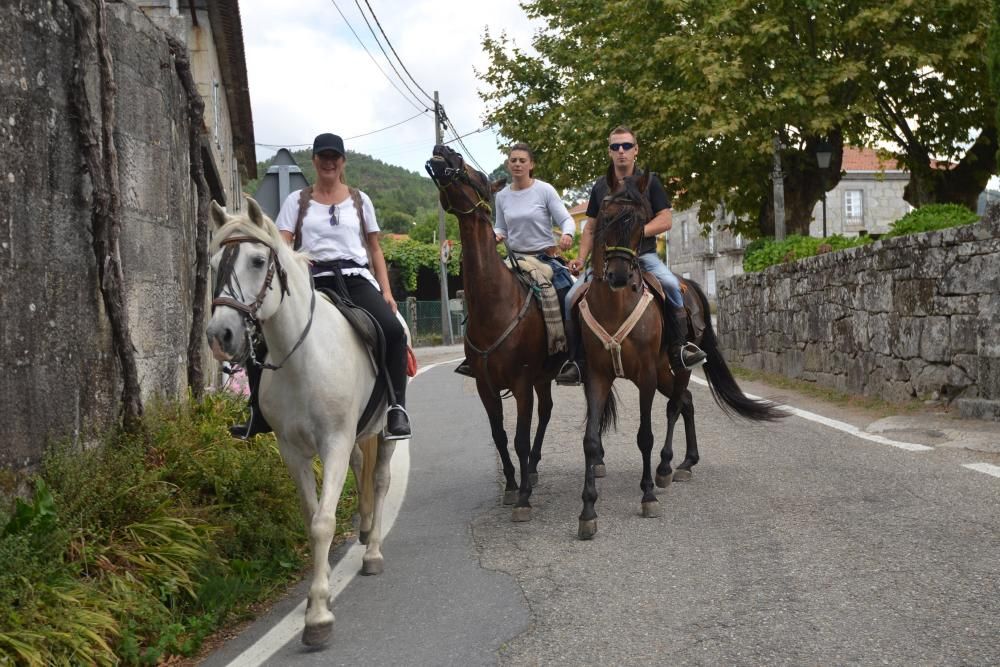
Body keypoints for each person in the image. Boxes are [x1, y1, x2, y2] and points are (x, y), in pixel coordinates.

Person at [230, 132, 411, 440]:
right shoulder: (296, 201)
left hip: (355, 279)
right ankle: (257, 413)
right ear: (314, 160)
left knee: (393, 332)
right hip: (311, 281)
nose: (329, 162)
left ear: (343, 162)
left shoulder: (359, 200)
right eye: (323, 157)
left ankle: (396, 409)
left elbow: (374, 248)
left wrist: (387, 291)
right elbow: (282, 245)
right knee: (258, 334)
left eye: (334, 157)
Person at [555, 126, 706, 386]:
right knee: (570, 297)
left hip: (643, 255)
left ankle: (679, 349)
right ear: (610, 152)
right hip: (606, 260)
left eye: (626, 146)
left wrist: (635, 232)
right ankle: (576, 361)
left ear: (636, 150)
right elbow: (590, 226)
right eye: (615, 147)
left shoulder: (651, 181)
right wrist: (581, 258)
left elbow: (666, 219)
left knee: (671, 286)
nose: (621, 151)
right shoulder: (601, 186)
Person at [455, 142, 576, 377]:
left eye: (522, 160)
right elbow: (501, 225)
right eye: (514, 160)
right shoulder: (502, 196)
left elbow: (566, 220)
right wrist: (498, 234)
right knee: (484, 290)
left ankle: (570, 357)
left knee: (567, 295)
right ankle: (474, 354)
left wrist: (569, 234)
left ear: (531, 165)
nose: (518, 164)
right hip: (515, 258)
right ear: (508, 165)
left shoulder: (545, 190)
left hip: (545, 258)